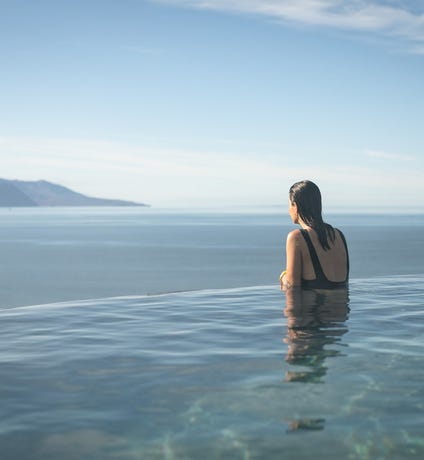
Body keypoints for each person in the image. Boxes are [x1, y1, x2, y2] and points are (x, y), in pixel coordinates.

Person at [279, 180, 349, 290]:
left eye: (289, 205)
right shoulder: (339, 235)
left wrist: (283, 276)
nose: (288, 210)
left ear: (295, 206)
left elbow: (292, 287)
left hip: (313, 307)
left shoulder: (296, 237)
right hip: (343, 307)